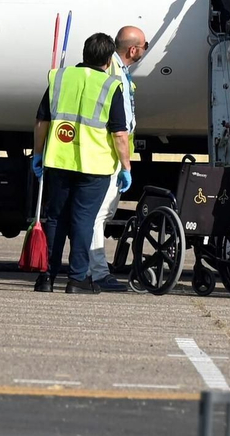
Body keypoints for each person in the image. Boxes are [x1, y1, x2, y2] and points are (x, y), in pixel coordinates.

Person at [32, 33, 133, 293]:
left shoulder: (59, 77)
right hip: (95, 166)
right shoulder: (111, 86)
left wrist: (38, 153)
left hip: (58, 160)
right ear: (109, 60)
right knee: (83, 221)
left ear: (85, 53)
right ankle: (77, 279)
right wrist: (126, 166)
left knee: (55, 219)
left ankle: (47, 277)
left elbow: (42, 120)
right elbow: (120, 133)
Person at [86, 25, 147, 292]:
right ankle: (96, 272)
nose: (144, 51)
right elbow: (117, 126)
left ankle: (91, 269)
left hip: (111, 153)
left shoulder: (119, 71)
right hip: (107, 153)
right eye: (144, 46)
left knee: (101, 214)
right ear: (133, 50)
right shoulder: (113, 72)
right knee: (97, 216)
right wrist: (125, 164)